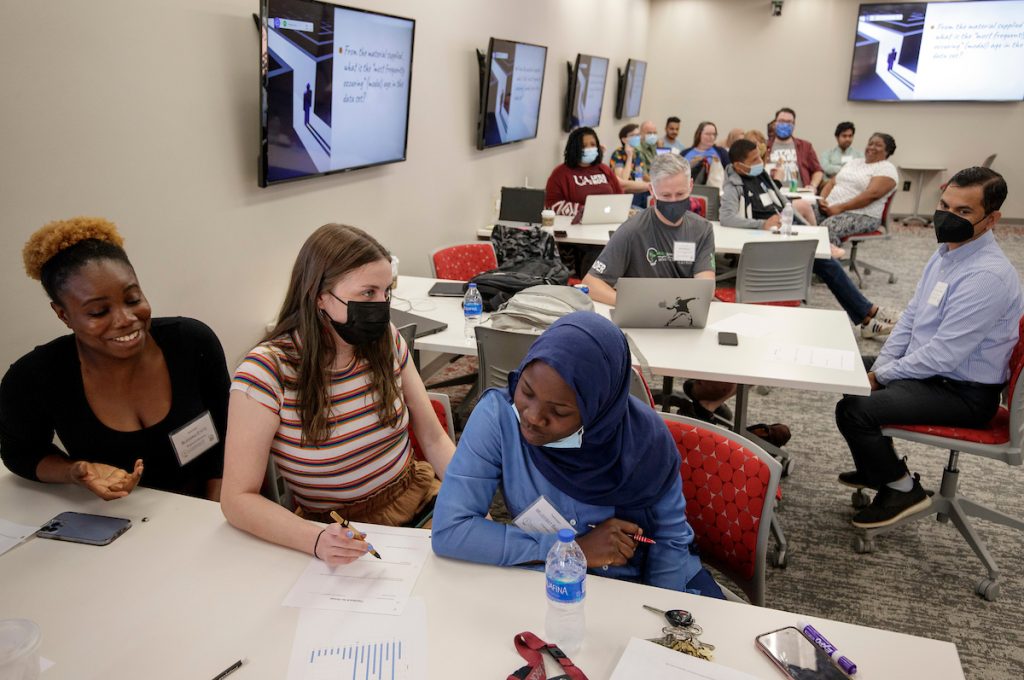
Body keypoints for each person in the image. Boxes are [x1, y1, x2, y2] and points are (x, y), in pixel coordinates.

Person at [431, 312, 725, 598]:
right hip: (554, 577)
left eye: (558, 411)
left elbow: (670, 543)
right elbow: (451, 530)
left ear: (598, 410)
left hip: (639, 582)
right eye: (527, 391)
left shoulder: (646, 443)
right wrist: (574, 549)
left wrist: (656, 615)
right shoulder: (500, 417)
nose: (532, 418)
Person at [221, 224, 455, 565]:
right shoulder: (267, 372)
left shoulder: (385, 340)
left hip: (417, 500)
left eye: (386, 292)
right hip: (339, 530)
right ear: (320, 296)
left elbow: (433, 438)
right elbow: (237, 499)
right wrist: (315, 540)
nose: (381, 305)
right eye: (368, 293)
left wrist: (470, 493)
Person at [835, 167, 1023, 528]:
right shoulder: (946, 254)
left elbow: (943, 355)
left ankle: (902, 487)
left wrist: (882, 376)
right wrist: (881, 368)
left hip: (965, 393)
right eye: (944, 205)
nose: (947, 216)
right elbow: (911, 318)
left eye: (964, 212)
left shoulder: (987, 276)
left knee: (856, 410)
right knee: (844, 371)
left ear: (991, 219)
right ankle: (878, 469)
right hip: (933, 372)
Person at [0, 217, 228, 500]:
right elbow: (21, 453)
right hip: (121, 519)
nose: (126, 319)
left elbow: (230, 436)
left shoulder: (192, 343)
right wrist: (75, 472)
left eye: (133, 299)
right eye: (98, 312)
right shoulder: (35, 377)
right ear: (63, 314)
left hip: (213, 507)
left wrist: (213, 514)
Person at [581, 154, 735, 421]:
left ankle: (701, 403)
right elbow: (591, 282)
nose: (674, 201)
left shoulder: (701, 229)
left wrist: (698, 298)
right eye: (666, 195)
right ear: (652, 191)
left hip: (687, 319)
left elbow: (705, 280)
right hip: (642, 326)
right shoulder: (633, 230)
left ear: (690, 187)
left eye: (680, 193)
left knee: (732, 373)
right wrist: (629, 303)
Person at [721, 139, 902, 339]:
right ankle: (868, 313)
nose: (760, 162)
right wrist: (761, 225)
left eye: (760, 157)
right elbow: (727, 217)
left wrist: (808, 230)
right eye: (755, 159)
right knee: (827, 264)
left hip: (783, 231)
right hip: (768, 239)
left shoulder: (762, 175)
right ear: (739, 166)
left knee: (826, 262)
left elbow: (782, 204)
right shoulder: (733, 184)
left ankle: (867, 315)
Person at [817, 133, 898, 246]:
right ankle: (805, 260)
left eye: (878, 145)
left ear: (887, 151)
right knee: (800, 212)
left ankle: (830, 261)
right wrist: (822, 199)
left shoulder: (886, 168)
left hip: (862, 215)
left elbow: (871, 195)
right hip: (831, 208)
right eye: (870, 144)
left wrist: (840, 208)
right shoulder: (854, 162)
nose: (872, 147)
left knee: (826, 229)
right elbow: (832, 182)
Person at [545, 126, 621, 224]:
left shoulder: (604, 169)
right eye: (584, 146)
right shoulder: (561, 173)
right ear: (575, 148)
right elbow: (551, 204)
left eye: (593, 145)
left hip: (609, 222)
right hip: (579, 225)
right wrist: (584, 210)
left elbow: (619, 195)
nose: (590, 148)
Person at [767, 107, 824, 191]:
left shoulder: (805, 146)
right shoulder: (765, 146)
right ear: (775, 123)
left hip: (799, 194)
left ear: (794, 125)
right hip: (773, 194)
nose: (785, 125)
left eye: (789, 122)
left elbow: (818, 171)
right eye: (781, 121)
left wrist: (812, 186)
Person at [609, 123, 650, 207]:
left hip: (639, 190)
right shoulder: (618, 154)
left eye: (638, 135)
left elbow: (640, 175)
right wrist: (629, 157)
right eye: (633, 135)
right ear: (624, 140)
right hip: (627, 194)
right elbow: (623, 179)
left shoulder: (638, 153)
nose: (637, 137)